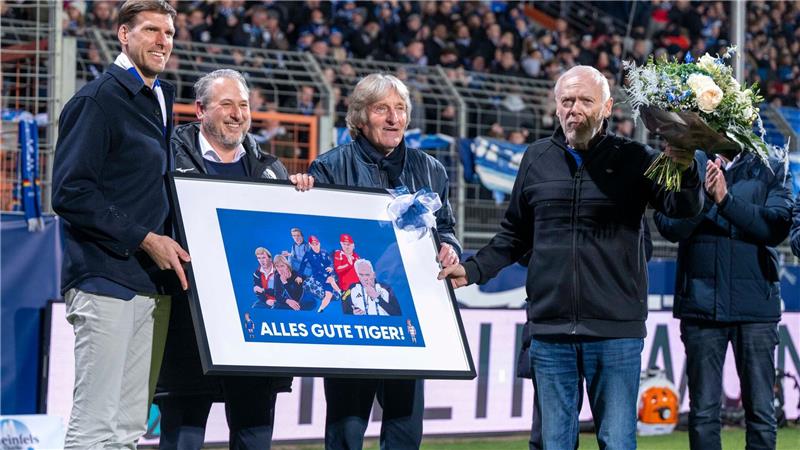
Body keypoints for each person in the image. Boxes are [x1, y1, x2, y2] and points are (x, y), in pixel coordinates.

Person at [439, 65, 702, 450]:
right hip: (550, 332)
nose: (574, 108)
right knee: (554, 444)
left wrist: (686, 165)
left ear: (608, 107)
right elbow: (514, 234)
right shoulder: (536, 158)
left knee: (616, 441)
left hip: (615, 332)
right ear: (556, 107)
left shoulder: (636, 157)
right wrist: (474, 268)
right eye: (567, 100)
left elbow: (681, 207)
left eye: (584, 100)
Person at [51, 1, 186, 448]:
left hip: (151, 282)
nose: (162, 41)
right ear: (124, 35)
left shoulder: (161, 97)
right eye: (150, 30)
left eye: (168, 32)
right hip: (104, 277)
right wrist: (146, 239)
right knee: (96, 425)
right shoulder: (96, 100)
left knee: (129, 428)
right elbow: (70, 192)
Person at [156, 68, 313, 450]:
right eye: (225, 104)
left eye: (243, 105)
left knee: (254, 438)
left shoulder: (272, 170)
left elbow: (285, 245)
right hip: (188, 324)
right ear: (200, 110)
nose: (237, 113)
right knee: (182, 438)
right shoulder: (165, 159)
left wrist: (300, 195)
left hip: (254, 331)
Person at [309, 73, 462, 450]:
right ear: (361, 118)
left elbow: (445, 228)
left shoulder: (432, 169)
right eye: (382, 109)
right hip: (353, 321)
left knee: (405, 429)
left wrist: (450, 248)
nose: (394, 118)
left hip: (410, 315)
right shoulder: (328, 167)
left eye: (400, 109)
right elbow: (321, 239)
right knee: (346, 429)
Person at [654, 150, 792, 450]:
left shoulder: (772, 163)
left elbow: (775, 228)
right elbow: (667, 225)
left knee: (761, 413)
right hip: (701, 307)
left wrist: (726, 201)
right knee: (703, 413)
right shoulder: (683, 157)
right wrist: (700, 199)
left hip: (756, 307)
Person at [298, 235, 341, 313]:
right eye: (313, 244)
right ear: (310, 244)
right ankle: (341, 292)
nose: (315, 246)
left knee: (329, 294)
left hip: (327, 279)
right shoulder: (309, 254)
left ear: (319, 244)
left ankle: (320, 309)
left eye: (316, 244)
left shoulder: (325, 253)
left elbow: (330, 263)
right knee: (330, 280)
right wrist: (299, 276)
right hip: (317, 277)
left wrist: (331, 268)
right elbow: (302, 265)